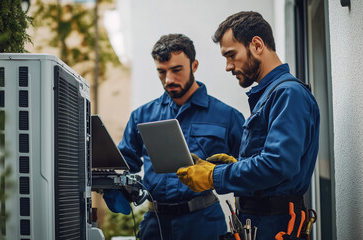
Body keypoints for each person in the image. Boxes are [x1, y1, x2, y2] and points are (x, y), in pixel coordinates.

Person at [177, 11, 320, 239]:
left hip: (275, 227)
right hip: (259, 225)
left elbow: (278, 165)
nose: (228, 66)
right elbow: (271, 164)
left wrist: (215, 176)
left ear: (256, 45)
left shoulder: (288, 94)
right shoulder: (270, 94)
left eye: (231, 55)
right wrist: (236, 164)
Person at [115, 33, 245, 240]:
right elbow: (125, 163)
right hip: (155, 224)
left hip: (204, 223)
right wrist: (113, 185)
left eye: (176, 70)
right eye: (161, 72)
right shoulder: (142, 116)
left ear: (194, 66)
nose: (169, 79)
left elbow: (248, 170)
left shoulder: (228, 117)